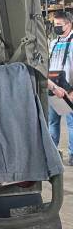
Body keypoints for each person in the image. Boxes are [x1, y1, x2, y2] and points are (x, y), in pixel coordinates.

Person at [48, 10, 73, 165]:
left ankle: (72, 155)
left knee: (71, 124)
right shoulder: (53, 42)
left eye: (59, 25)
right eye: (55, 25)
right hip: (53, 87)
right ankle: (52, 153)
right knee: (53, 122)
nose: (56, 27)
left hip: (68, 88)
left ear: (69, 24)